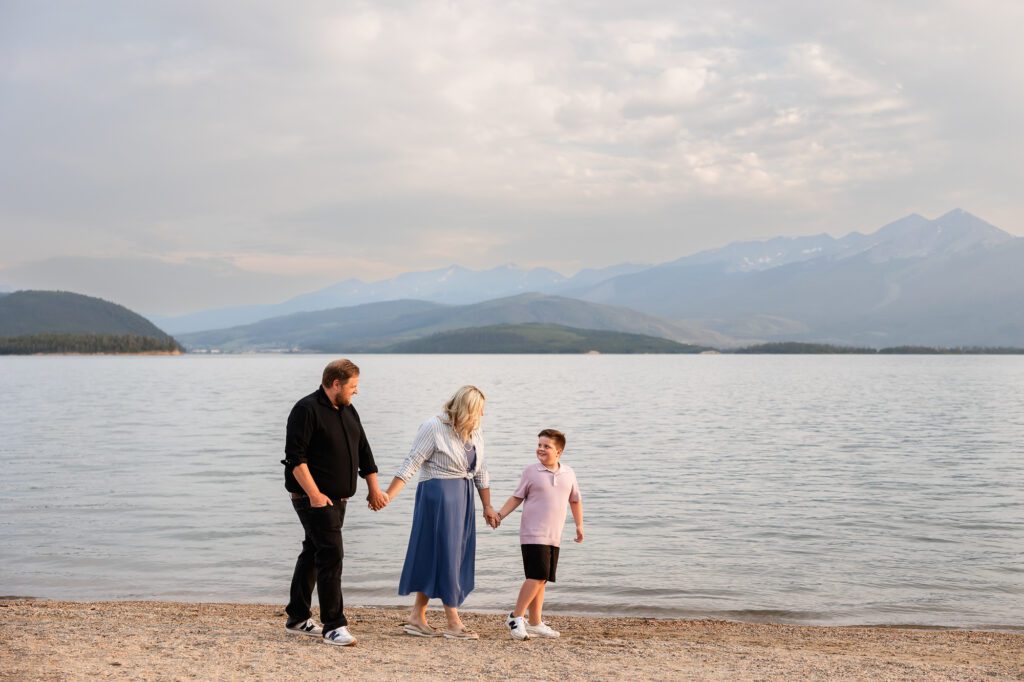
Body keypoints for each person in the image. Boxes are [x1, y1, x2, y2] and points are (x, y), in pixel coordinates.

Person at [280, 359, 389, 647]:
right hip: (311, 498)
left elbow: (364, 452)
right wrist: (315, 495)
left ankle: (297, 617)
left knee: (314, 552)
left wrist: (373, 490)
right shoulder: (306, 409)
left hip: (339, 499)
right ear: (336, 383)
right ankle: (334, 626)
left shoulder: (349, 410)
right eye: (353, 386)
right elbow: (295, 459)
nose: (356, 392)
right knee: (331, 554)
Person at [383, 385, 500, 639]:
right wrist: (388, 495)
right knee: (446, 555)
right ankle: (453, 622)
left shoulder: (475, 430)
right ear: (467, 409)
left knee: (447, 555)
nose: (483, 415)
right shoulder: (433, 426)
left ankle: (417, 617)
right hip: (438, 496)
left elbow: (481, 470)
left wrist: (487, 506)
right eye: (479, 410)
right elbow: (412, 461)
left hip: (464, 495)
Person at [494, 429, 584, 640]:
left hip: (554, 534)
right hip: (533, 532)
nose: (541, 449)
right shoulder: (531, 471)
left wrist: (579, 526)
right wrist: (500, 515)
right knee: (536, 576)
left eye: (546, 446)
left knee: (542, 579)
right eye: (539, 445)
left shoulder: (569, 473)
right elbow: (517, 497)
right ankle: (515, 617)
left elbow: (575, 500)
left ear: (558, 451)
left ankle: (535, 622)